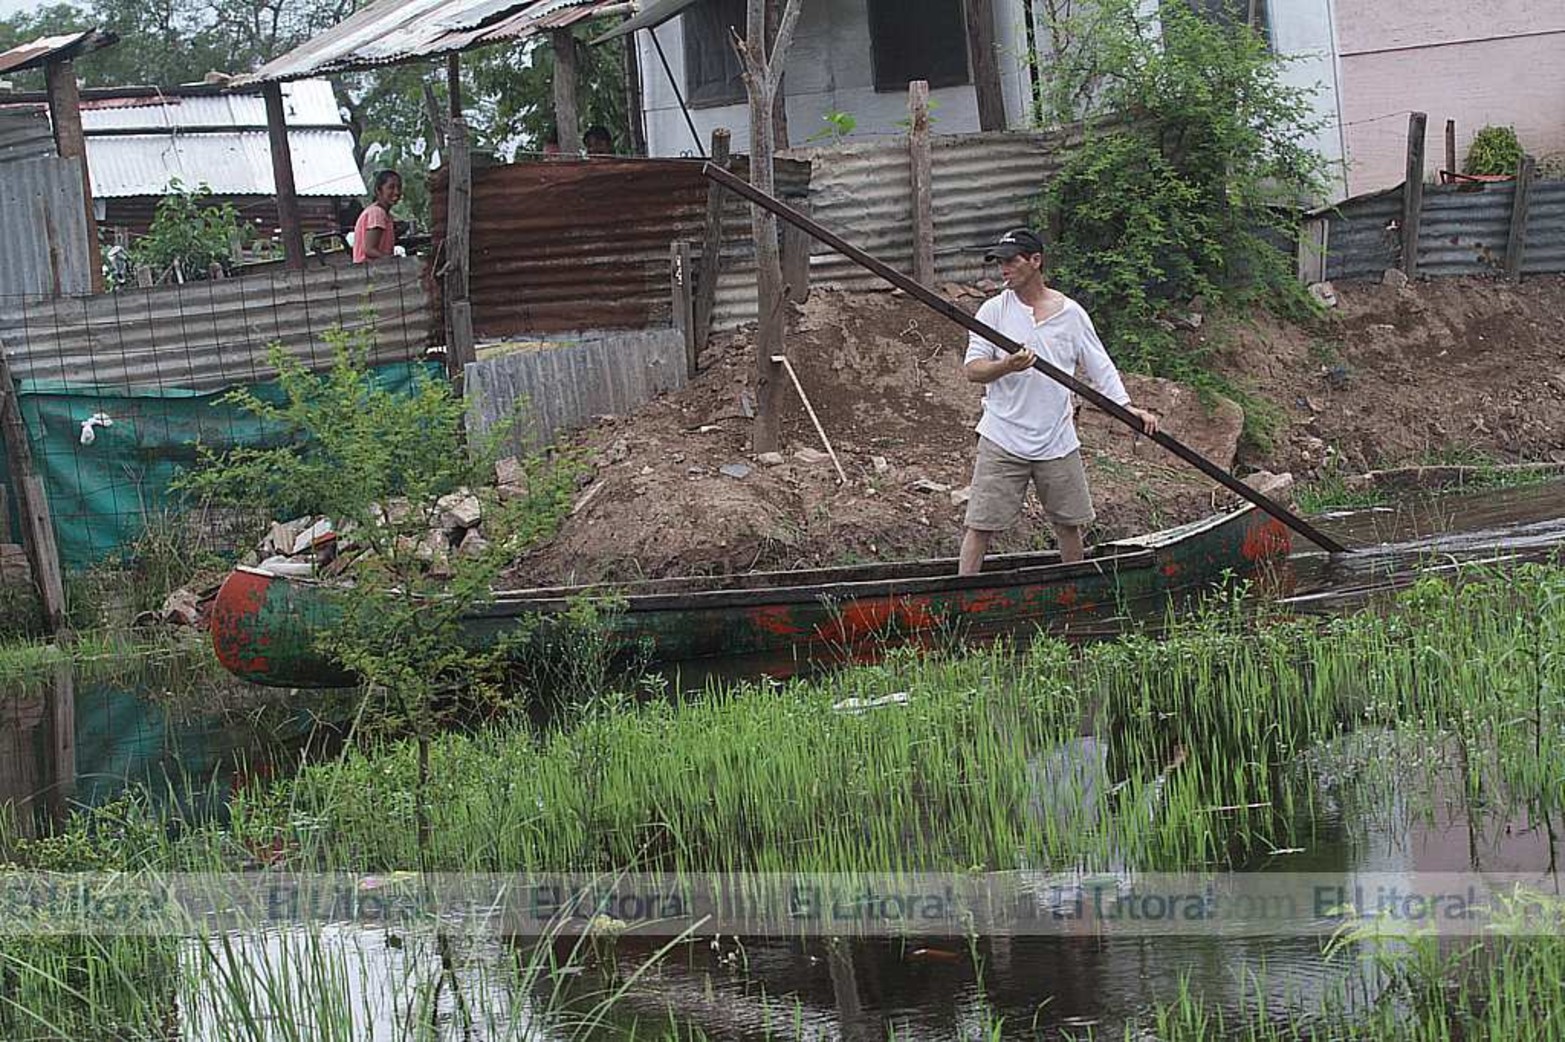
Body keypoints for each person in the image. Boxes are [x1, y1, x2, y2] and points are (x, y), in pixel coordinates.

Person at [959, 228, 1159, 575]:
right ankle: (961, 603)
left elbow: (1100, 366)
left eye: (1011, 261)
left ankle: (1076, 594)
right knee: (980, 525)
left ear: (1035, 261)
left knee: (1069, 523)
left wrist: (1126, 407)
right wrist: (1006, 365)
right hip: (1003, 435)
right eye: (1000, 263)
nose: (1003, 269)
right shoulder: (993, 311)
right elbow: (973, 370)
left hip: (1056, 438)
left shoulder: (1071, 314)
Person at [352, 170, 402, 263]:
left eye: (399, 187)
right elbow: (369, 250)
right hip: (368, 269)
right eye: (391, 187)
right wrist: (391, 259)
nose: (397, 192)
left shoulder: (385, 214)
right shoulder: (377, 213)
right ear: (378, 190)